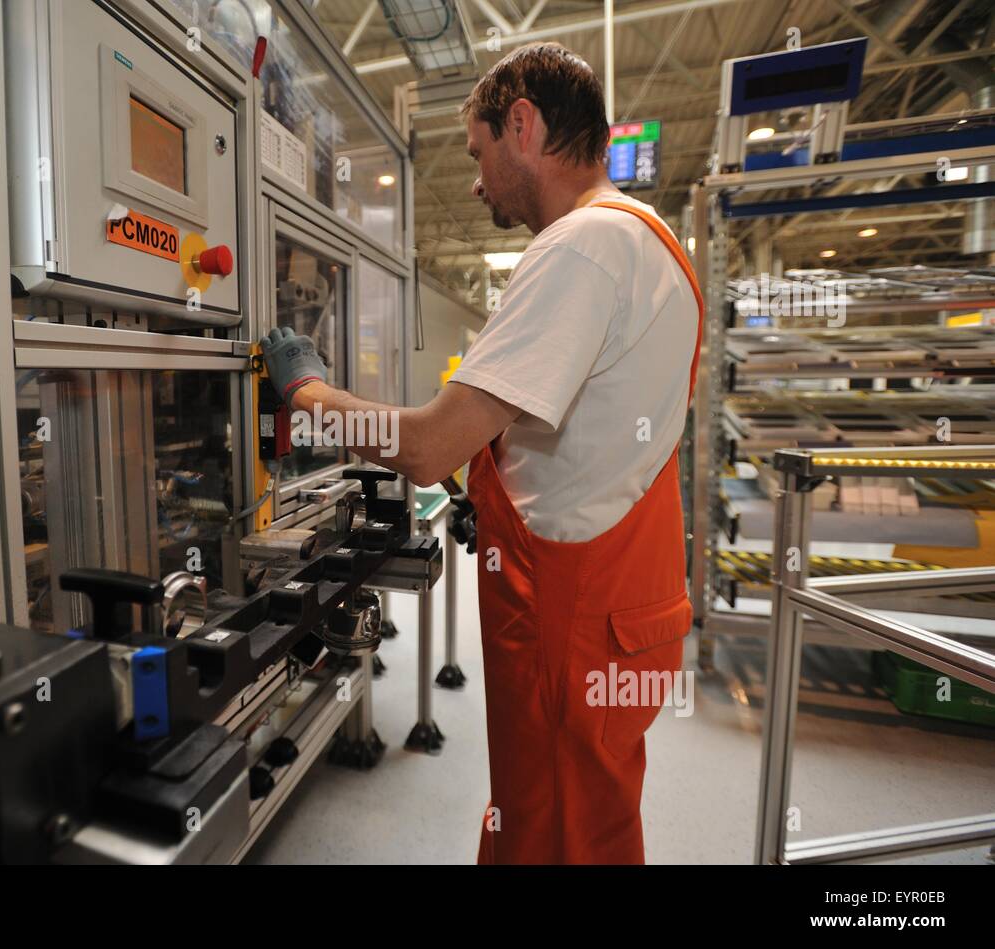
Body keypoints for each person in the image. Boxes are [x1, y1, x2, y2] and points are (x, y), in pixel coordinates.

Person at [258, 42, 702, 865]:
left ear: (522, 125)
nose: (473, 181)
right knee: (581, 825)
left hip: (571, 626)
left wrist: (307, 394)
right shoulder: (653, 240)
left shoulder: (580, 246)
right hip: (623, 614)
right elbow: (590, 434)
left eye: (478, 151)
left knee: (553, 835)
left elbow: (425, 447)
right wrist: (500, 488)